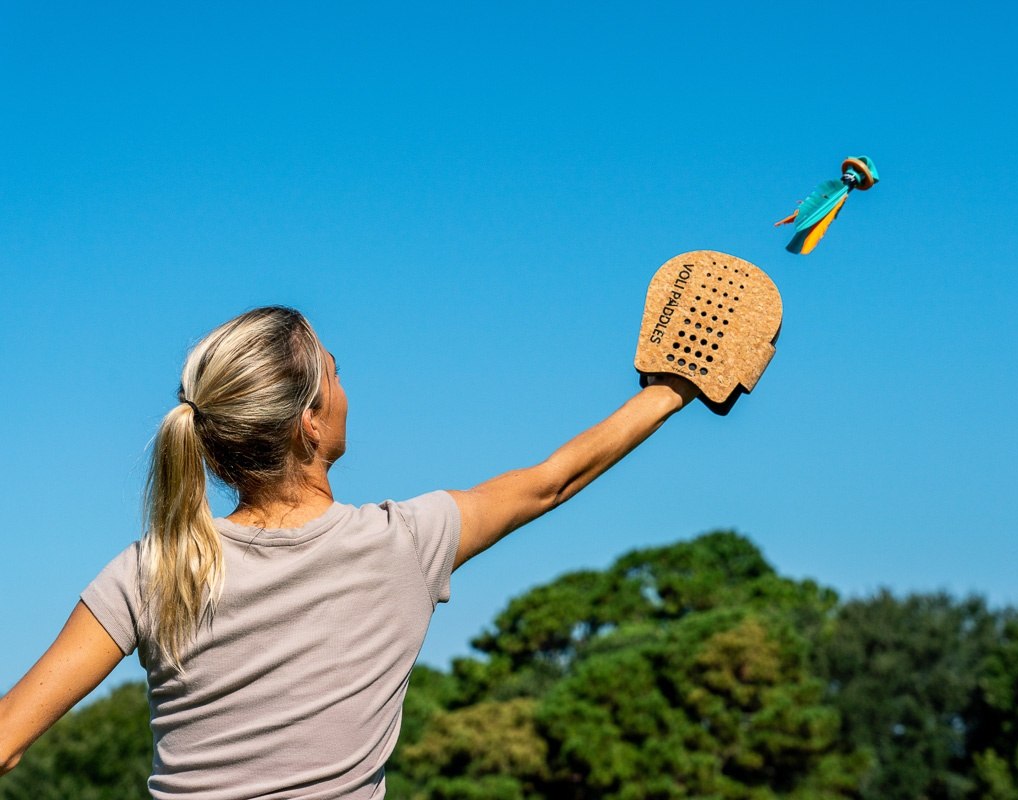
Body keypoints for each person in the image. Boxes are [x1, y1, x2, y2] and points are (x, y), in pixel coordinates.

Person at [0, 305, 698, 798]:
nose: (344, 388)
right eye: (334, 374)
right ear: (310, 419)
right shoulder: (403, 544)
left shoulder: (154, 569)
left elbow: (6, 740)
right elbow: (552, 483)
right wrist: (669, 392)